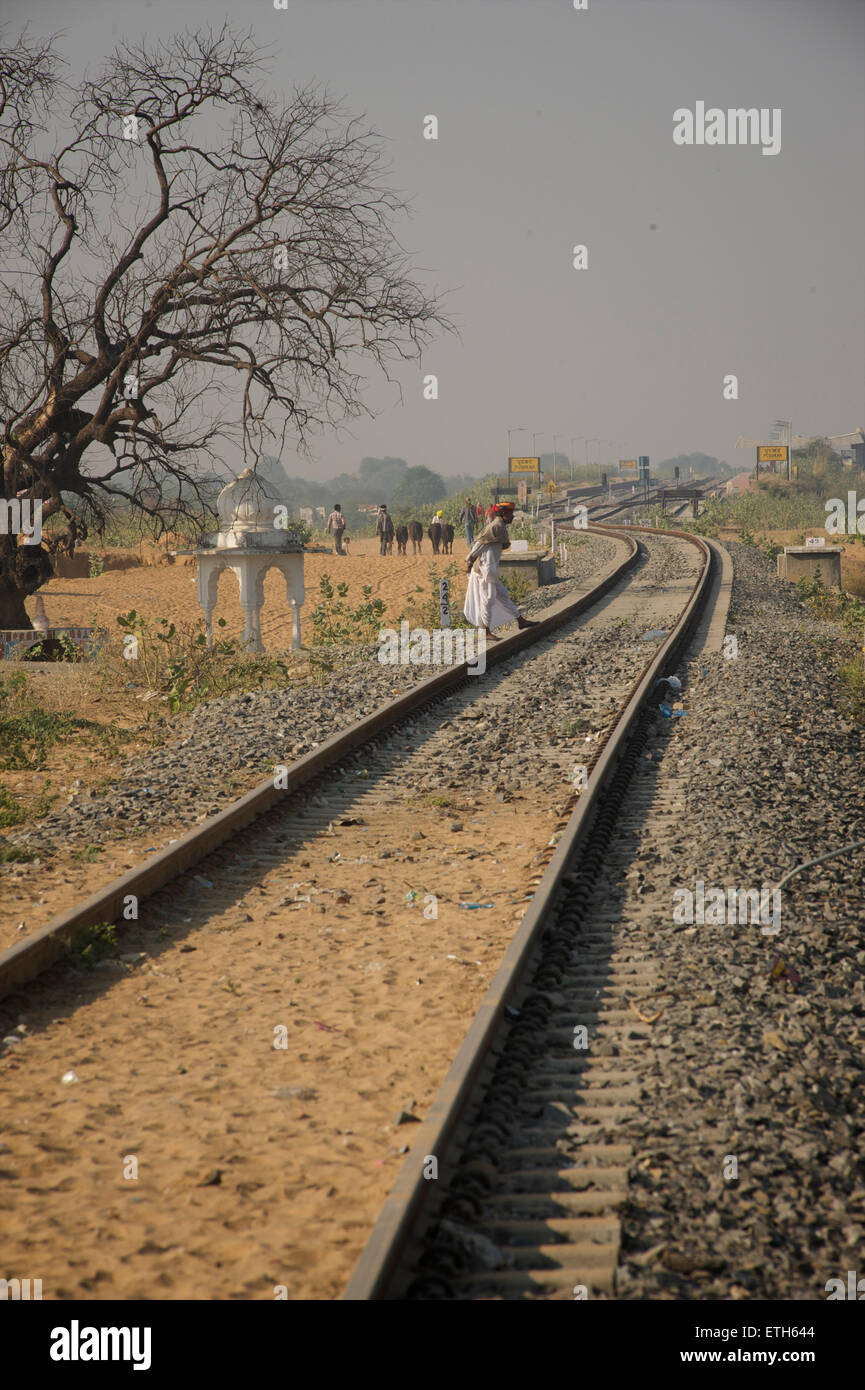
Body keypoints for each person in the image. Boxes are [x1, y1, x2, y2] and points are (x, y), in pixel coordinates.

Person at [464, 502, 537, 639]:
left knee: (503, 595)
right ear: (503, 515)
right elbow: (480, 543)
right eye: (510, 514)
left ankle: (520, 620)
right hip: (484, 570)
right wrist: (469, 561)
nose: (512, 516)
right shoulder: (495, 526)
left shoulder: (500, 526)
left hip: (491, 569)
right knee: (489, 598)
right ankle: (485, 631)